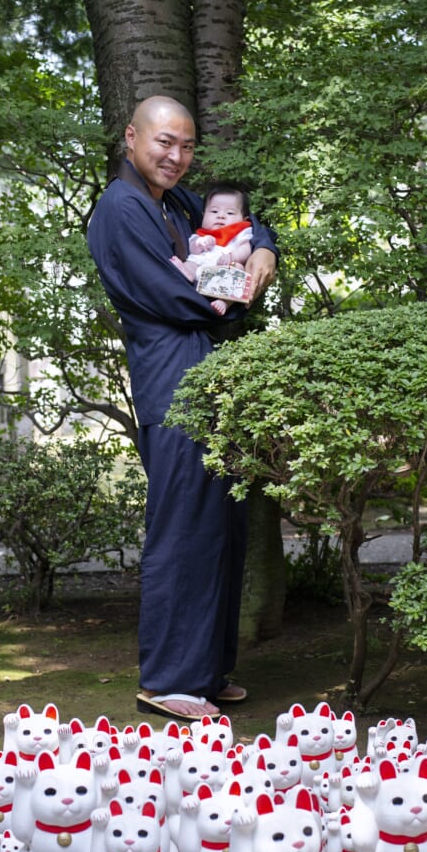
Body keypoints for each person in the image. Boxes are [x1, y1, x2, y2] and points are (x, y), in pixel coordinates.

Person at [87, 96, 278, 720]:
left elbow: (247, 225)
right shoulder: (120, 210)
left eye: (187, 146)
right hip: (171, 379)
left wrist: (261, 253)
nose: (176, 156)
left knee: (219, 526)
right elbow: (179, 297)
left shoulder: (177, 202)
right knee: (182, 526)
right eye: (165, 142)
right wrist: (241, 291)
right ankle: (168, 680)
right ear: (132, 137)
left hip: (208, 375)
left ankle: (205, 671)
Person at [171, 183, 254, 315]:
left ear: (244, 219)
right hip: (200, 266)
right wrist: (200, 243)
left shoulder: (240, 234)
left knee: (238, 270)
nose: (221, 216)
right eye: (214, 211)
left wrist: (233, 256)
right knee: (189, 263)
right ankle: (188, 274)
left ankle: (224, 301)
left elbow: (246, 249)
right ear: (203, 215)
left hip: (224, 269)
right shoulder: (201, 234)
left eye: (230, 213)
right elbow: (193, 250)